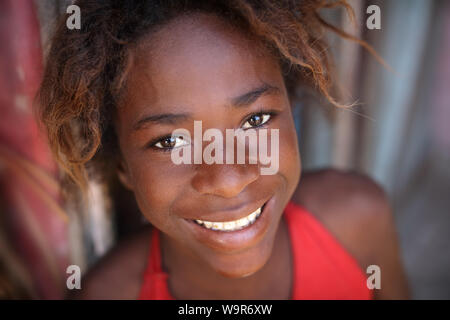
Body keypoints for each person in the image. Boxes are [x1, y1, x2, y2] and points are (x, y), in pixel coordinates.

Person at [37, 0, 409, 299]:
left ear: (291, 110)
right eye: (170, 142)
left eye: (256, 120)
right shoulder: (108, 293)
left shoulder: (358, 223)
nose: (228, 180)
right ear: (122, 166)